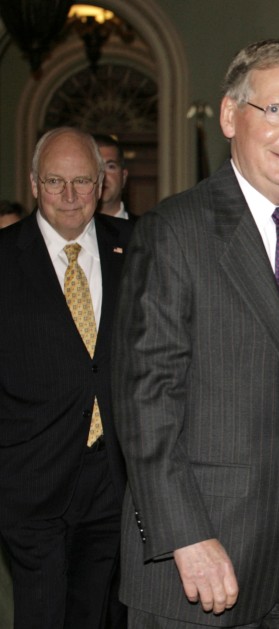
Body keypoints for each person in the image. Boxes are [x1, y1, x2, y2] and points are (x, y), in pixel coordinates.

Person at [112, 39, 279, 628]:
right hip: (207, 554)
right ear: (231, 116)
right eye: (275, 110)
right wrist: (186, 535)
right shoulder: (174, 231)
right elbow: (145, 400)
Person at [0, 127, 131, 629]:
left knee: (97, 615)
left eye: (82, 182)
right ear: (34, 184)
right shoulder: (5, 257)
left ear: (101, 185)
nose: (70, 197)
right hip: (30, 481)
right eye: (56, 182)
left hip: (114, 480)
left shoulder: (137, 248)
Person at [93, 134, 132, 220]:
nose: (102, 176)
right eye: (95, 167)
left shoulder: (144, 229)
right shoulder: (69, 230)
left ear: (124, 177)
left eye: (110, 167)